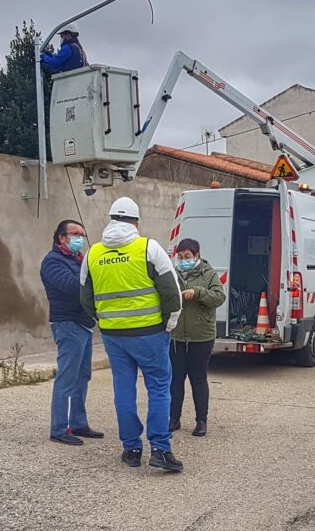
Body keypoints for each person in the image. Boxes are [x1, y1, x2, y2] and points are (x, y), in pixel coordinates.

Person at [80, 197, 184, 473]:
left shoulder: (92, 253)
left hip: (114, 336)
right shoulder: (148, 247)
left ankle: (131, 449)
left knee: (123, 389)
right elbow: (172, 293)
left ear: (111, 219)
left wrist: (104, 321)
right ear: (136, 222)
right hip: (150, 333)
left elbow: (85, 297)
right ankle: (161, 449)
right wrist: (169, 324)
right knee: (159, 388)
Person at [40, 219, 103, 446]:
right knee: (67, 377)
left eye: (82, 235)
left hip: (83, 324)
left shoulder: (80, 260)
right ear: (61, 238)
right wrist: (98, 277)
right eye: (75, 234)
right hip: (68, 324)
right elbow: (72, 286)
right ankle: (58, 428)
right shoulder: (53, 262)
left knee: (82, 376)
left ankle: (78, 423)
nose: (79, 238)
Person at [169, 238, 225, 438]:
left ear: (197, 256)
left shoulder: (208, 274)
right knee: (176, 379)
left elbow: (219, 297)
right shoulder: (172, 273)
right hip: (176, 336)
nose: (183, 260)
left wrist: (198, 292)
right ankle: (173, 418)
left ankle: (201, 421)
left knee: (198, 378)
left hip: (201, 336)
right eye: (181, 257)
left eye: (188, 257)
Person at [40, 23, 89, 161]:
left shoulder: (68, 48)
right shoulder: (79, 49)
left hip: (69, 84)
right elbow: (58, 59)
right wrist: (49, 55)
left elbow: (55, 63)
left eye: (62, 35)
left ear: (68, 35)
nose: (61, 38)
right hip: (78, 84)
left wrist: (41, 57)